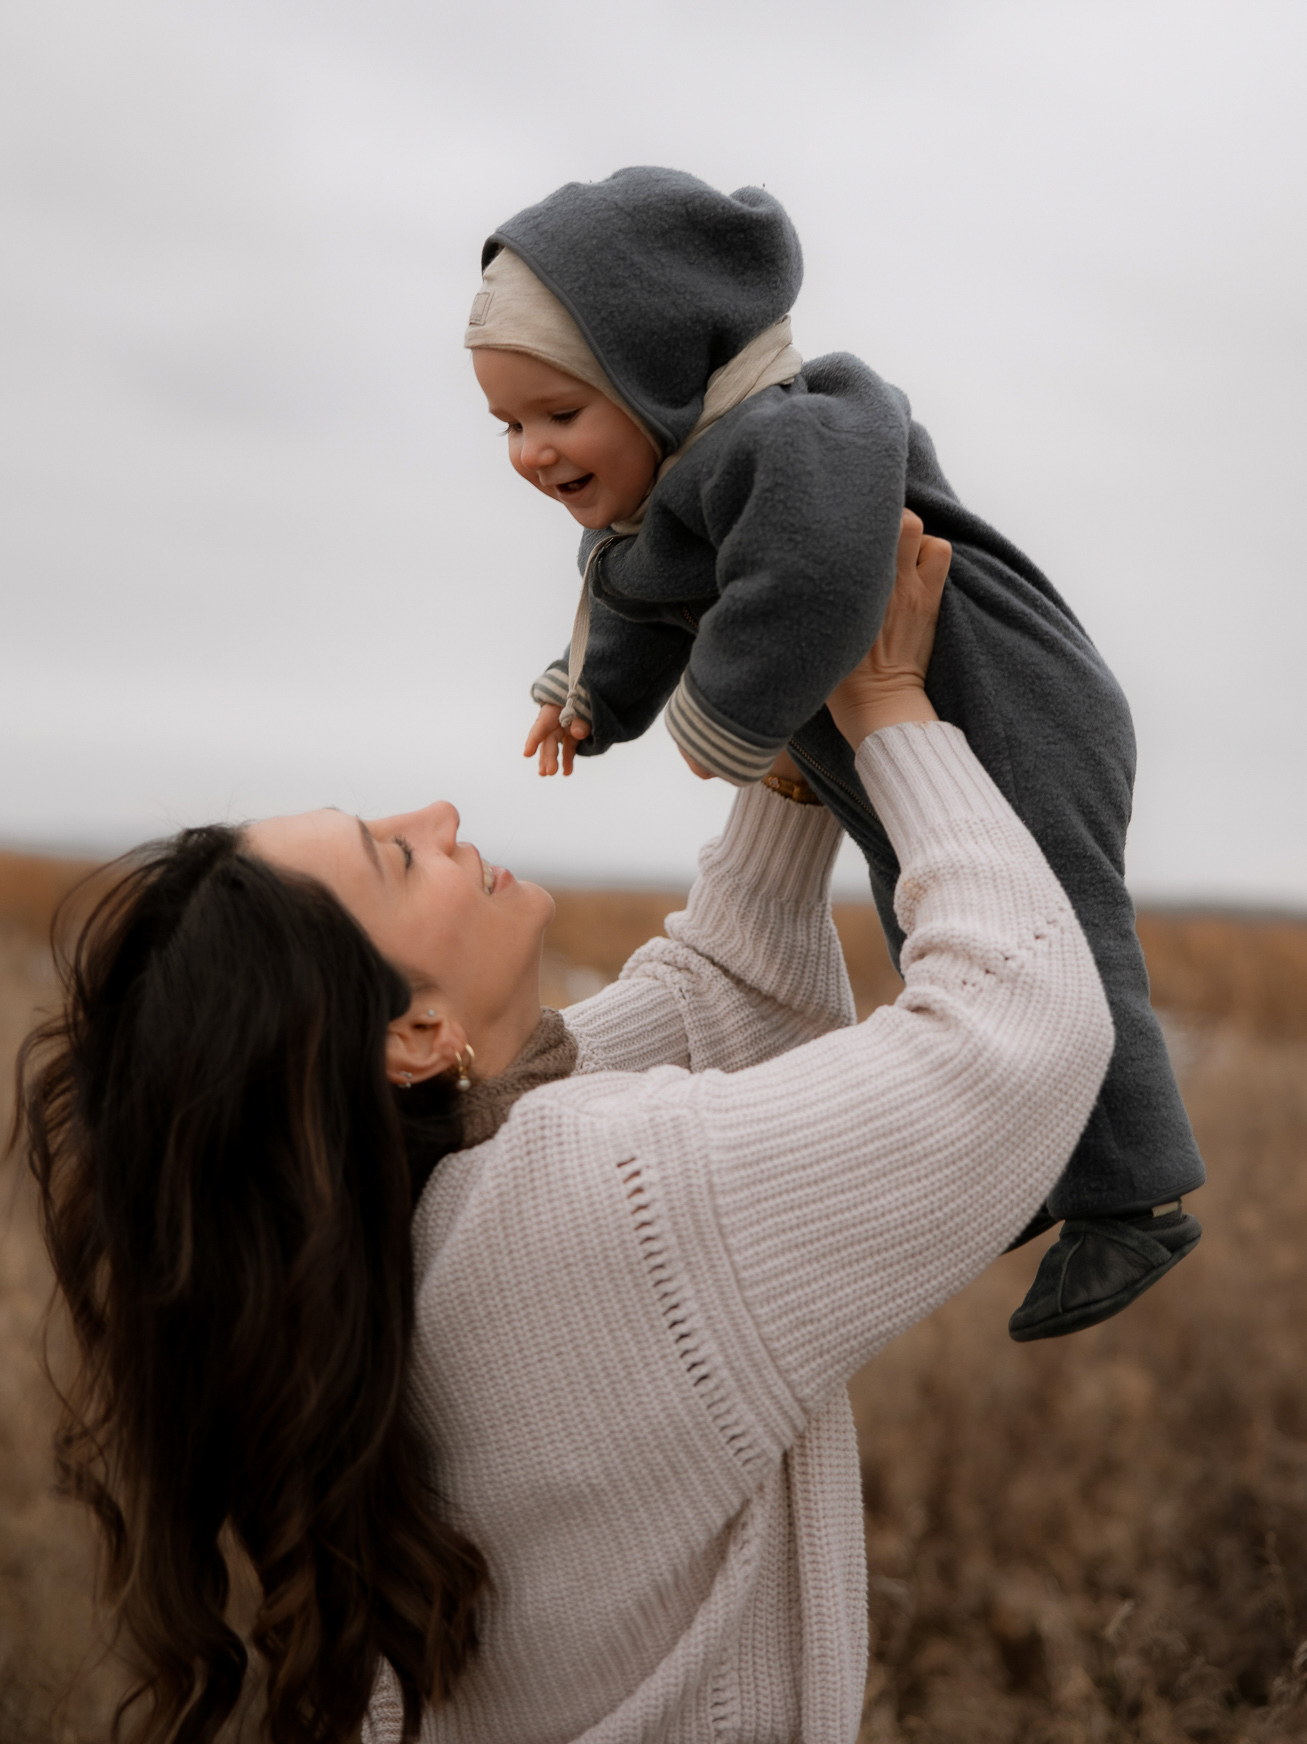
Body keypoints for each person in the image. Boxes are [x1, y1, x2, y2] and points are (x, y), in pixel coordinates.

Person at [18, 517, 1115, 1744]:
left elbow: (723, 1001)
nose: (436, 812)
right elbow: (1017, 1032)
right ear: (415, 1034)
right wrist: (889, 711)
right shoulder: (585, 1209)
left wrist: (793, 732)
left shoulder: (421, 1215)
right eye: (393, 855)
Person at [465, 164, 1204, 1342]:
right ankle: (1034, 1161)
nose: (528, 450)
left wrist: (724, 714)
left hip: (1003, 694)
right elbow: (638, 597)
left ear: (656, 376)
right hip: (890, 723)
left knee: (1048, 927)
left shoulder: (800, 429)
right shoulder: (674, 492)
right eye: (507, 422)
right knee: (932, 922)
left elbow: (811, 576)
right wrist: (592, 701)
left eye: (557, 414)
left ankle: (1131, 1199)